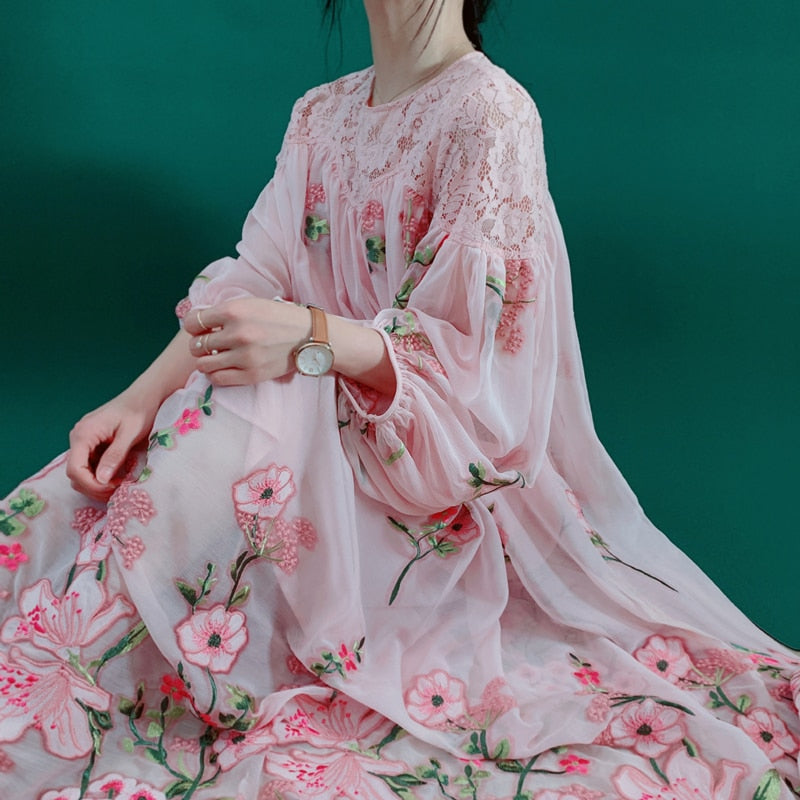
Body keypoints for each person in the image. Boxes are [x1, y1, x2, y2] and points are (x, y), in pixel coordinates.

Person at [1, 1, 798, 797]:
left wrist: (311, 337)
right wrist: (136, 399)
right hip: (282, 445)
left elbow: (484, 384)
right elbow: (253, 279)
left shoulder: (490, 112)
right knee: (75, 515)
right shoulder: (321, 114)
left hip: (411, 482)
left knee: (197, 464)